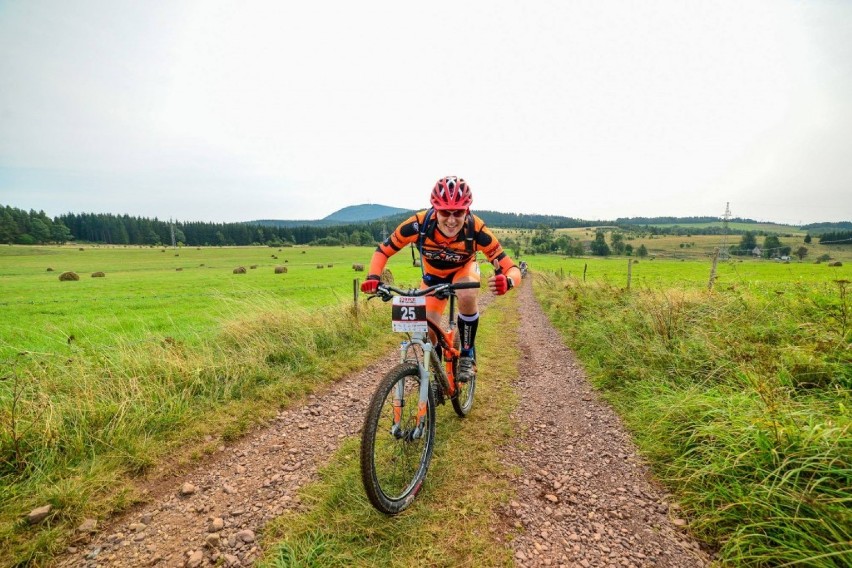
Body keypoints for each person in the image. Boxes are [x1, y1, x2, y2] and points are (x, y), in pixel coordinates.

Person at [360, 176, 522, 382]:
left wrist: (507, 281)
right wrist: (373, 277)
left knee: (466, 293)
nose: (452, 220)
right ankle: (437, 370)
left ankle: (466, 354)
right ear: (435, 209)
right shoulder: (418, 224)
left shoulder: (476, 229)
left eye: (459, 212)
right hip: (433, 278)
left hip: (463, 272)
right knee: (428, 330)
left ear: (467, 211)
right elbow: (382, 251)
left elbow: (511, 267)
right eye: (445, 212)